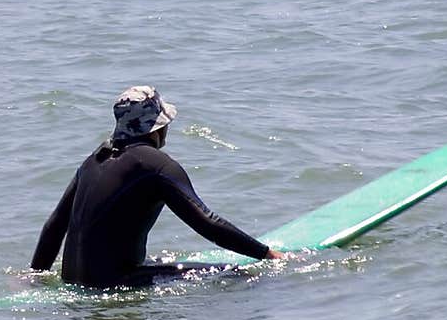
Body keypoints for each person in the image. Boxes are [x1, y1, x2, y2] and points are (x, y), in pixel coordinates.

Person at [31, 85, 283, 288]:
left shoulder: (94, 161)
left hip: (73, 280)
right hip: (115, 284)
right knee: (238, 275)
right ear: (157, 127)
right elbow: (207, 223)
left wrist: (36, 276)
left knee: (161, 263)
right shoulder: (156, 166)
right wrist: (266, 254)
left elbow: (55, 225)